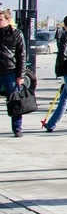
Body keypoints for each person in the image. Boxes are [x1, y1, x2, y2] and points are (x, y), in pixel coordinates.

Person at [0, 9, 27, 137]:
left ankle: (17, 128)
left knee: (14, 101)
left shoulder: (16, 34)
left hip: (10, 71)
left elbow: (22, 55)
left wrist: (20, 75)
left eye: (0, 20)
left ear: (7, 20)